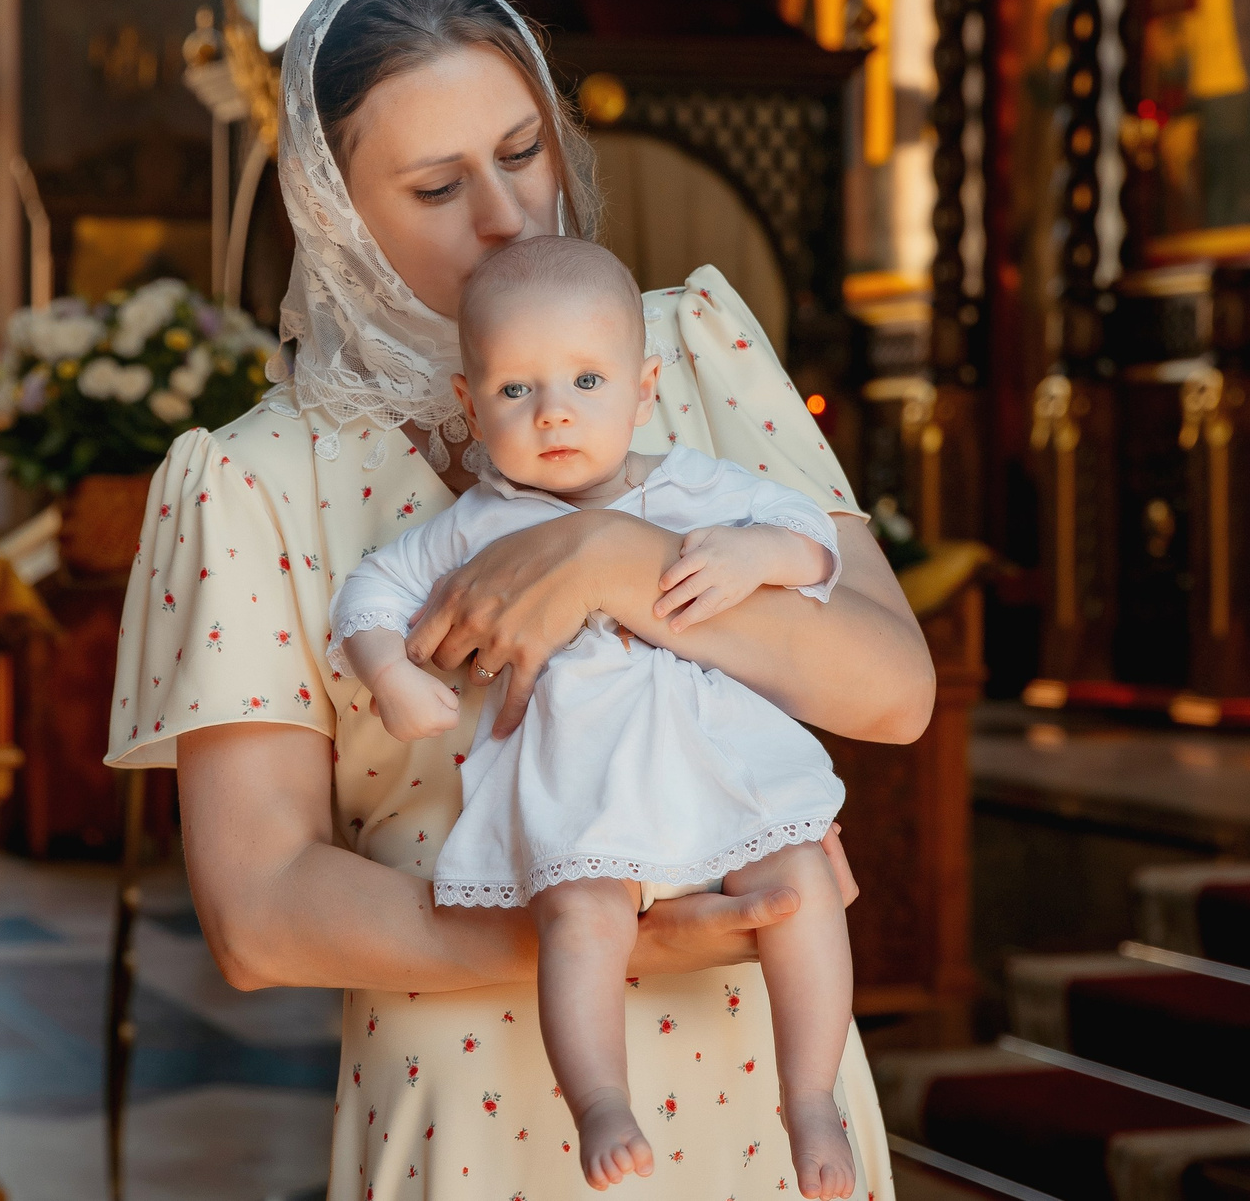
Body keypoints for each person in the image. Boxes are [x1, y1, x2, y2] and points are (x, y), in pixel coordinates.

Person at [105, 0, 935, 1200]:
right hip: (475, 1098)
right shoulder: (253, 481)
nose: (508, 215)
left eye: (523, 152)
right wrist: (614, 936)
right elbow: (259, 912)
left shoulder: (691, 353)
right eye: (438, 185)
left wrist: (615, 557)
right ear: (333, 211)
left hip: (765, 1087)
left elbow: (894, 693)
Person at [329, 235, 857, 1195]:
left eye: (585, 378)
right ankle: (599, 1097)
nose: (556, 410)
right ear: (469, 404)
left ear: (644, 386)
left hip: (716, 755)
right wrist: (389, 671)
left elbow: (817, 540)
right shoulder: (474, 525)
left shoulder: (692, 484)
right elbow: (370, 590)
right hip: (584, 777)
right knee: (579, 916)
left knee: (805, 884)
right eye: (517, 390)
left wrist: (756, 557)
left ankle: (812, 1093)